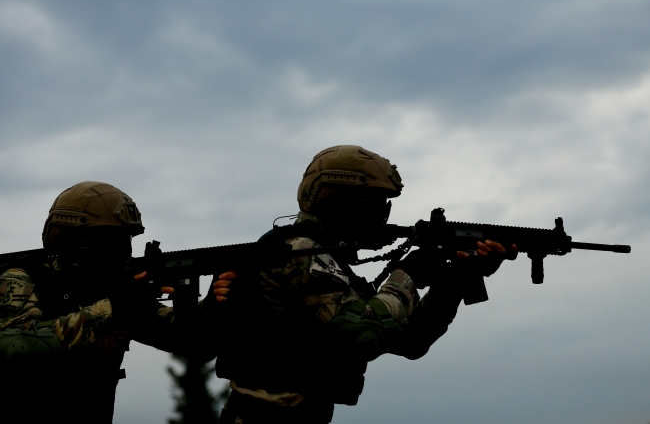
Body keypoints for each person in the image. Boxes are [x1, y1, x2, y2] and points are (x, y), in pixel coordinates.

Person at [213, 145, 517, 424]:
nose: (381, 215)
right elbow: (364, 333)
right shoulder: (298, 253)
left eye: (384, 205)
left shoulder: (329, 262)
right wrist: (407, 274)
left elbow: (409, 341)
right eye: (371, 203)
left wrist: (455, 280)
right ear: (336, 202)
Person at [0, 181, 233, 424]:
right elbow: (15, 347)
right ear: (74, 240)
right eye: (110, 239)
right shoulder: (23, 278)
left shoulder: (119, 290)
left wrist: (214, 304)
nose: (122, 250)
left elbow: (196, 345)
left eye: (126, 239)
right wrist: (113, 308)